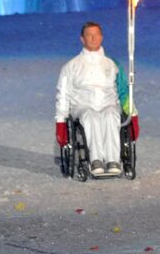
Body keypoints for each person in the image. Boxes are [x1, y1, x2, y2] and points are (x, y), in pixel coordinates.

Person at [55, 21, 133, 177]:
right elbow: (63, 95)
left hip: (108, 104)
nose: (93, 38)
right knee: (91, 117)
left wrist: (133, 114)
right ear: (82, 39)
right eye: (89, 35)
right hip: (83, 106)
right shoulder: (71, 66)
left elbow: (124, 90)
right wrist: (61, 121)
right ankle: (95, 160)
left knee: (111, 115)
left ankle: (113, 160)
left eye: (96, 35)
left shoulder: (112, 64)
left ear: (101, 37)